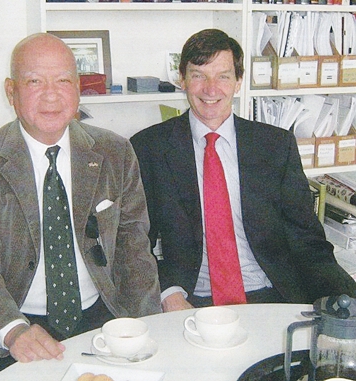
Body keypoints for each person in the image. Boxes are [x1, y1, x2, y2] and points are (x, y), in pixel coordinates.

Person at [0, 33, 161, 381]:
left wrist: (145, 326)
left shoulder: (115, 152)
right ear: (11, 91)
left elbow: (133, 246)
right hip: (15, 322)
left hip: (102, 317)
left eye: (63, 80)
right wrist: (13, 329)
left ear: (77, 89)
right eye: (34, 81)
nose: (50, 94)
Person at [130, 28, 356, 313]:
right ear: (182, 79)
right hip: (189, 300)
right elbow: (134, 243)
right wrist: (168, 293)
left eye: (223, 76)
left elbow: (308, 241)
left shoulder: (275, 145)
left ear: (238, 82)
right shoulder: (148, 147)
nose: (211, 89)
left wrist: (345, 296)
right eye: (199, 75)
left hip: (271, 293)